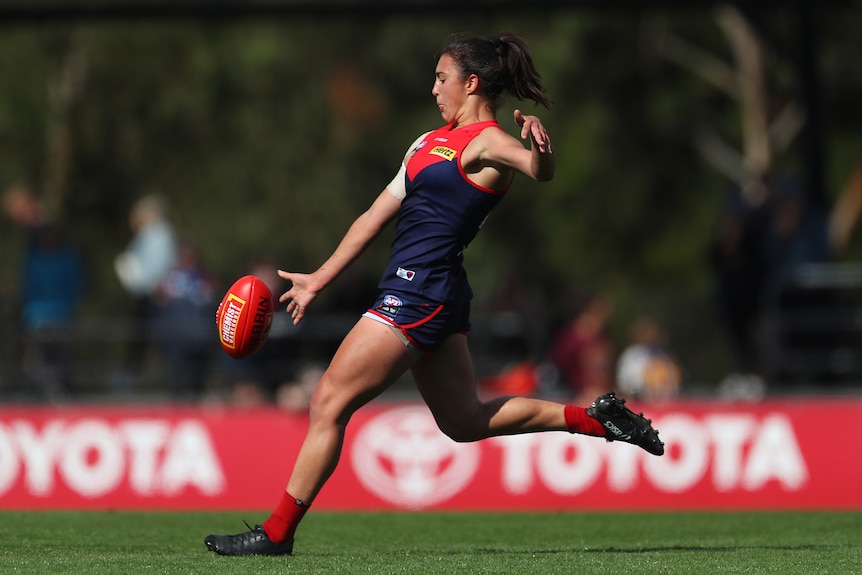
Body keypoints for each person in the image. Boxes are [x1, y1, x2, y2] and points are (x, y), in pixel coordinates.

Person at [205, 32, 664, 557]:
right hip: (434, 293)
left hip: (417, 293)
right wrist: (319, 277)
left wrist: (540, 146)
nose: (433, 88)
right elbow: (374, 216)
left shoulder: (487, 143)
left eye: (442, 78)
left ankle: (277, 533)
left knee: (328, 401)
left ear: (471, 83)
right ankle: (596, 418)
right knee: (465, 421)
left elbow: (537, 170)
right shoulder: (425, 143)